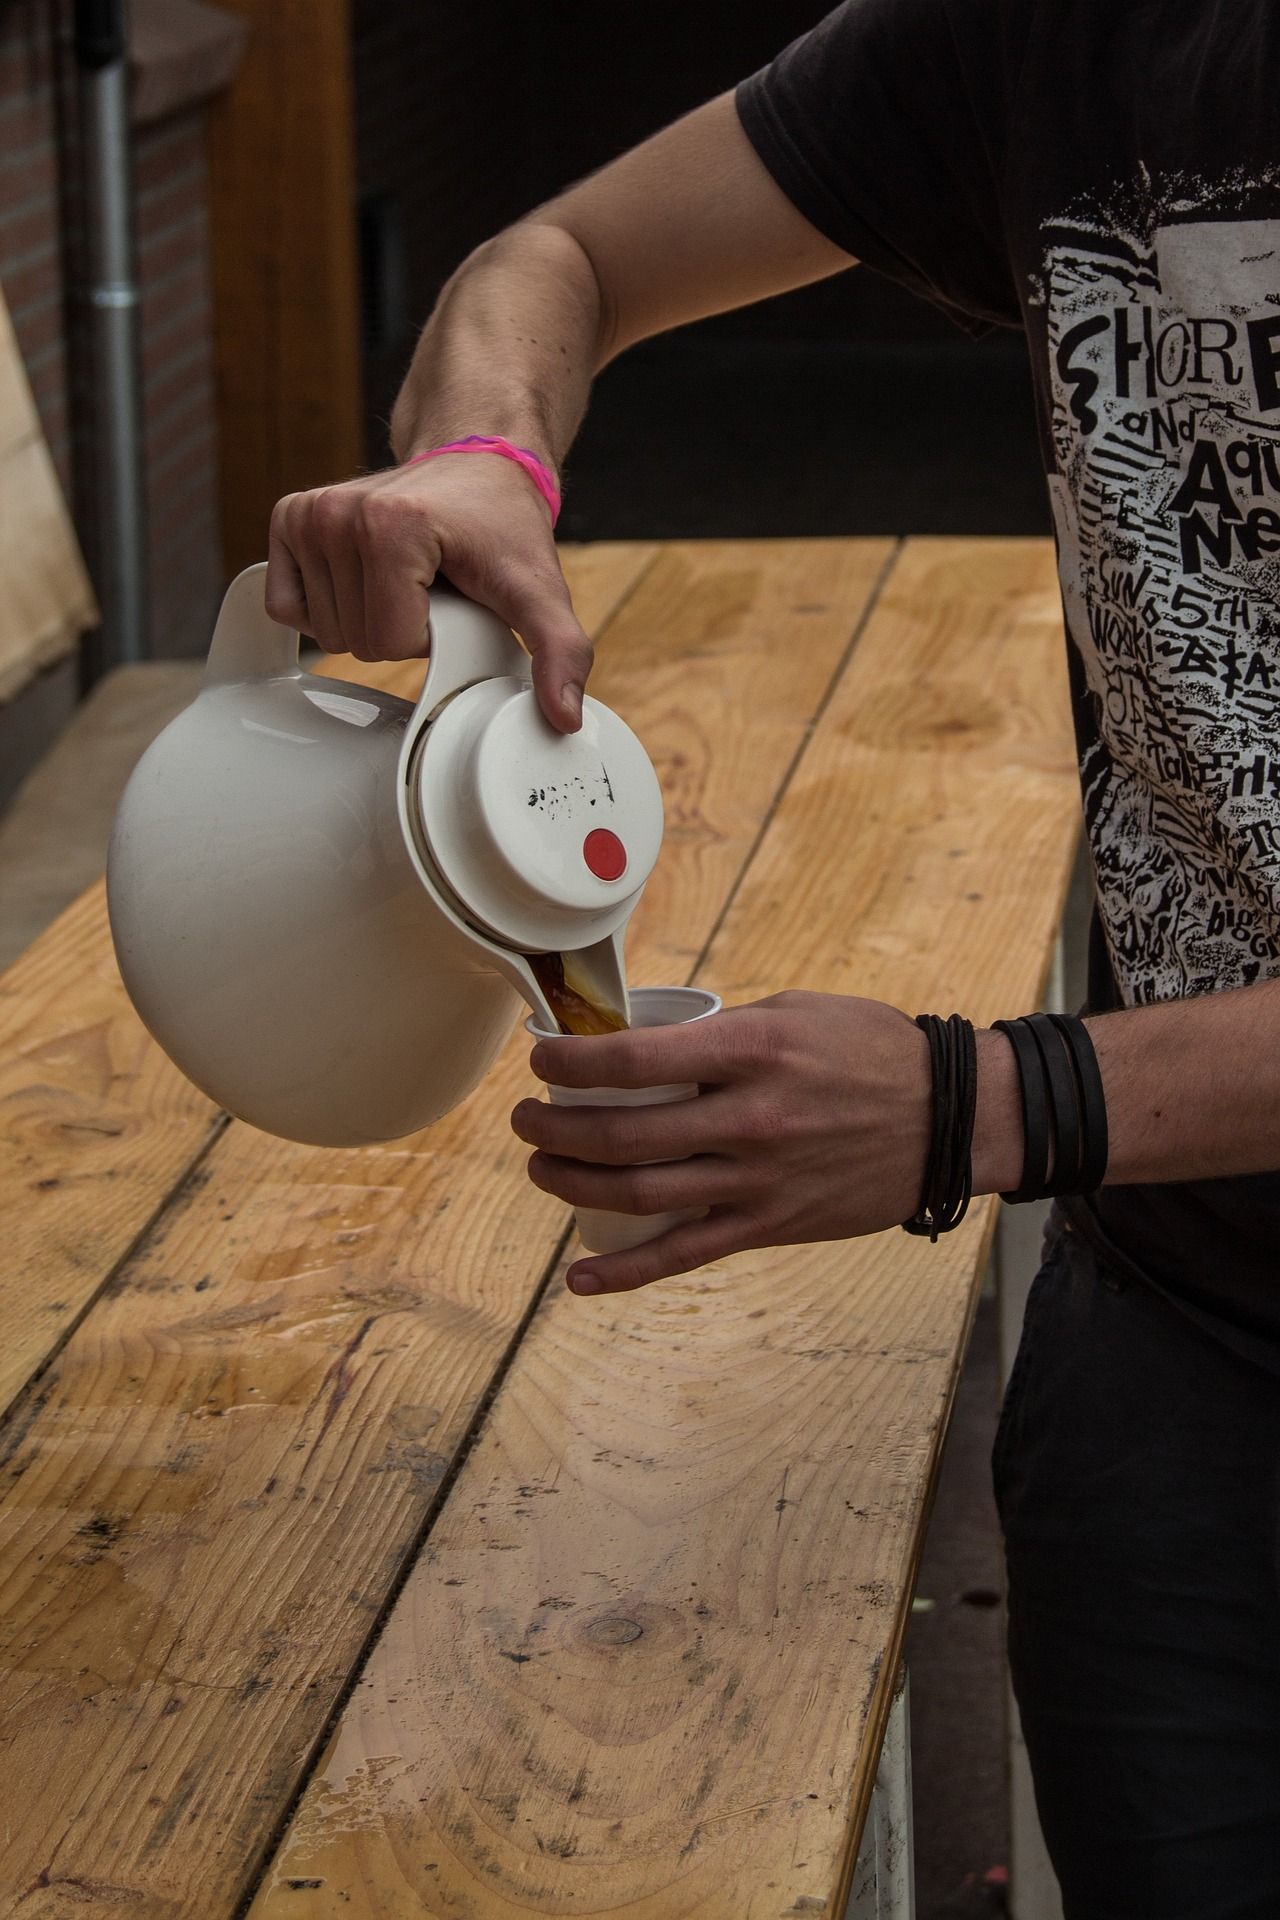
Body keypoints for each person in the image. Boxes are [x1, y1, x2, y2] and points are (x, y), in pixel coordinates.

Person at [264, 3, 1280, 1911]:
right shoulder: (1032, 37)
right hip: (1184, 1341)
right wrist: (488, 454)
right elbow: (557, 257)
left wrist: (982, 1102)